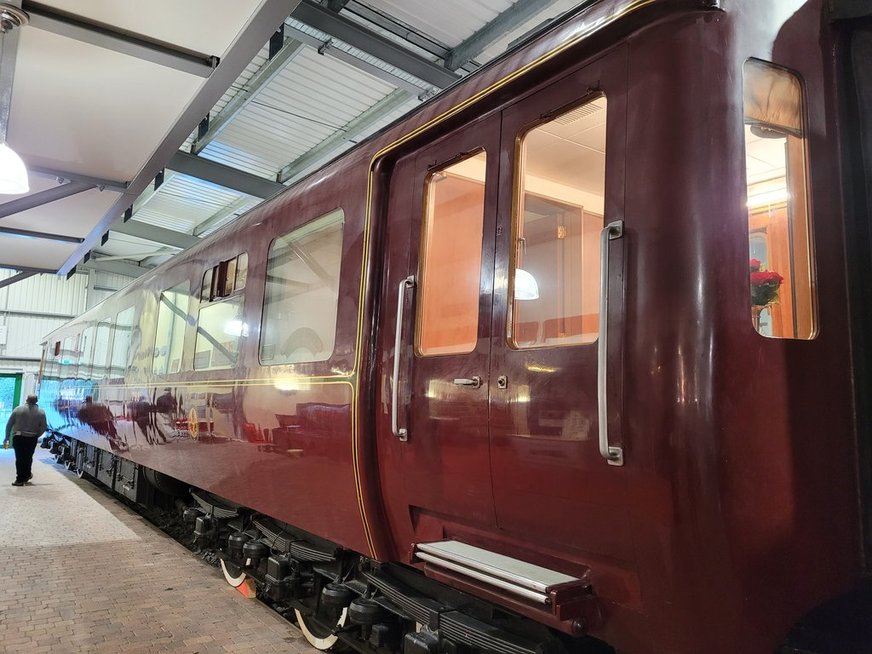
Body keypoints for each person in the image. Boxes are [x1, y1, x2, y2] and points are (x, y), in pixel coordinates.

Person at [4, 394, 47, 486]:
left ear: (26, 400)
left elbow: (9, 424)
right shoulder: (41, 412)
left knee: (20, 458)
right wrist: (37, 435)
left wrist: (7, 437)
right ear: (36, 401)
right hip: (31, 438)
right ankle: (26, 475)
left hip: (18, 437)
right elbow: (44, 427)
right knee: (28, 457)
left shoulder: (17, 409)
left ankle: (20, 479)